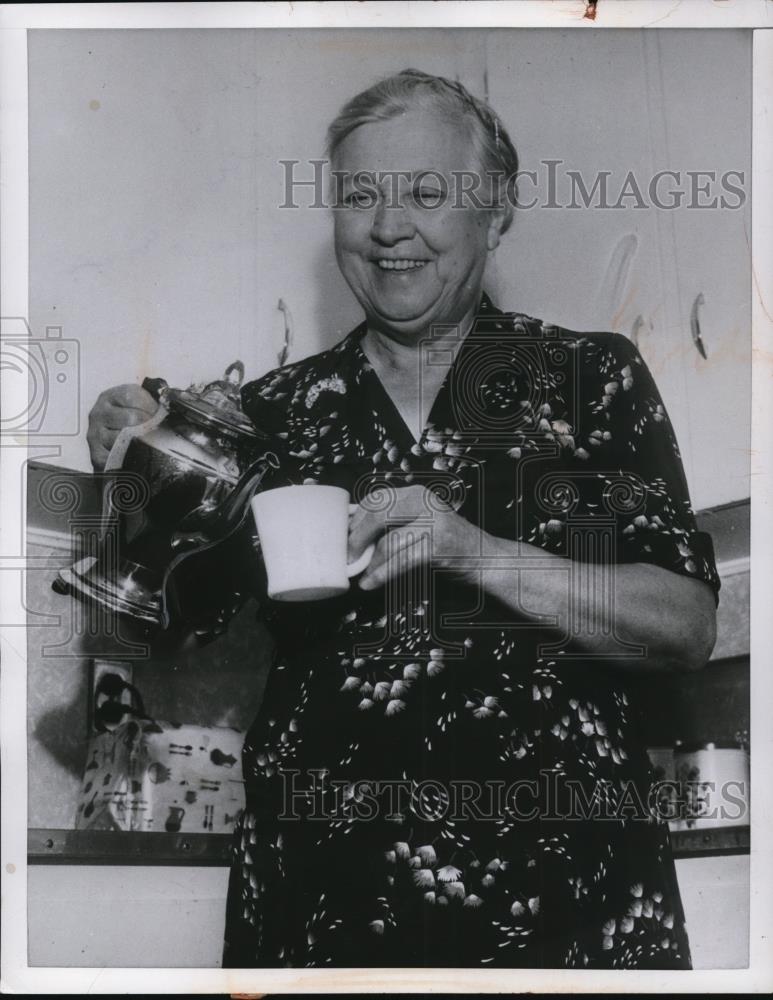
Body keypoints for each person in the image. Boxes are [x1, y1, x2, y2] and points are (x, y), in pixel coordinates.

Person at [87, 69, 719, 969]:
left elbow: (686, 626)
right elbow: (157, 633)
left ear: (496, 210)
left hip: (566, 895)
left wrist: (478, 553)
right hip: (321, 897)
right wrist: (130, 482)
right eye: (358, 196)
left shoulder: (590, 377)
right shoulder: (271, 413)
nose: (388, 228)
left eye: (426, 192)